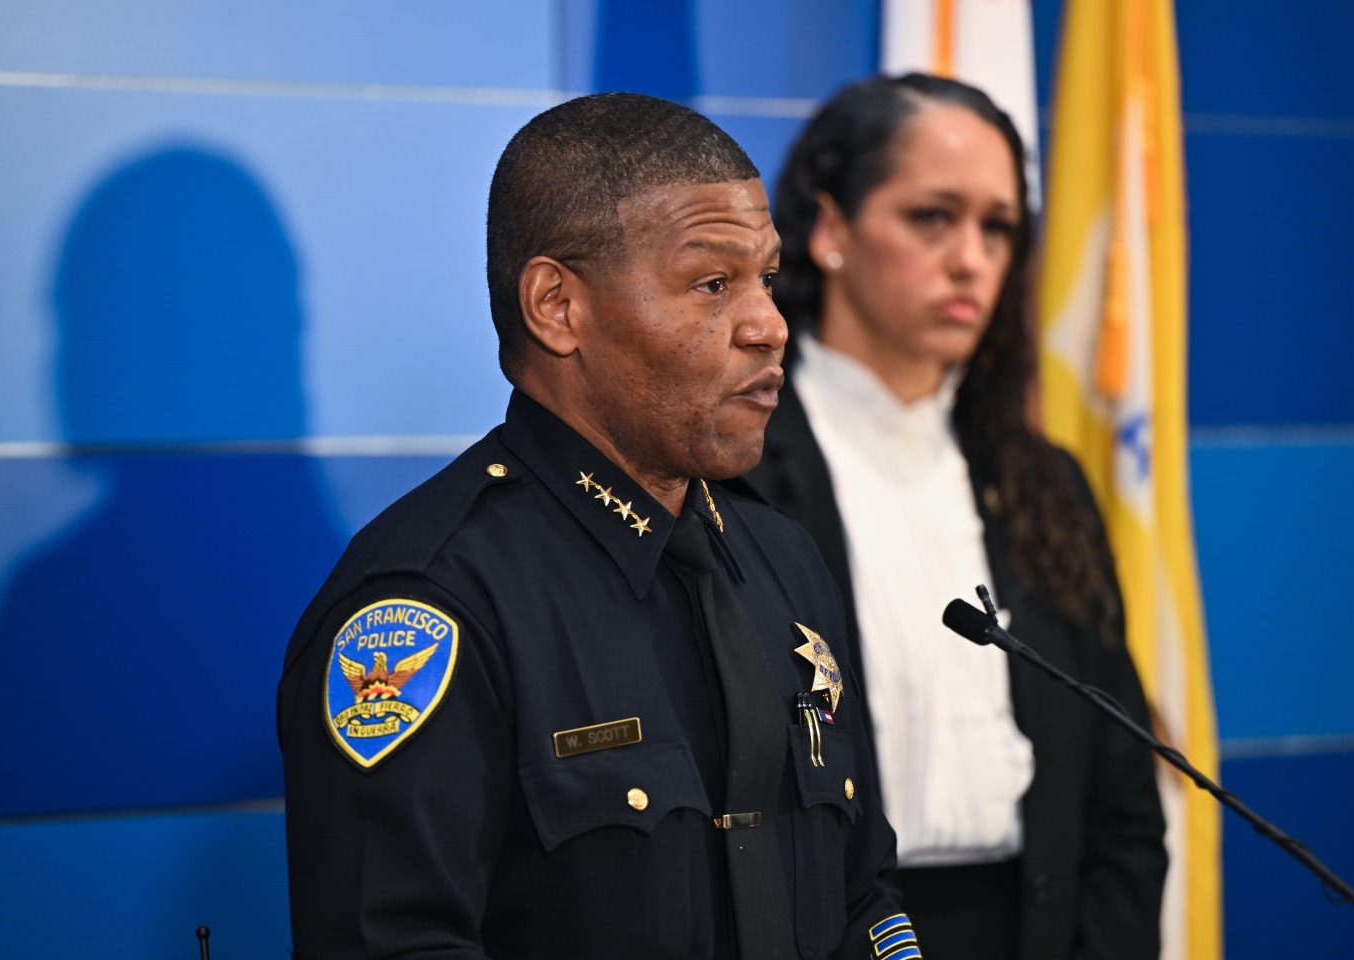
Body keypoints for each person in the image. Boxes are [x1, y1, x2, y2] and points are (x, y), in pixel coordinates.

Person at [278, 92, 915, 960]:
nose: (768, 325)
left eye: (766, 278)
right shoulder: (430, 606)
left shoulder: (781, 558)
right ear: (557, 307)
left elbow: (862, 893)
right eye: (712, 284)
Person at [747, 73, 1167, 959]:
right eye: (932, 218)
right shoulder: (736, 472)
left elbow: (1120, 797)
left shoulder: (1042, 484)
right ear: (829, 230)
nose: (972, 258)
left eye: (998, 227)